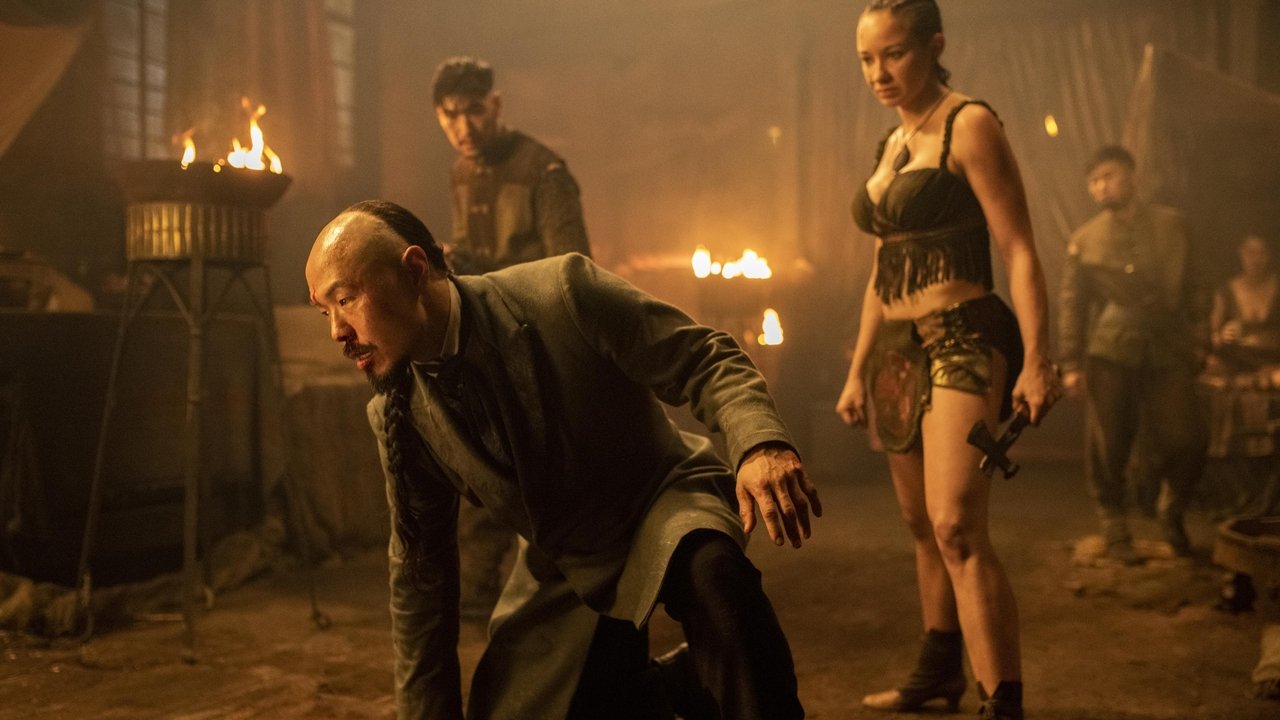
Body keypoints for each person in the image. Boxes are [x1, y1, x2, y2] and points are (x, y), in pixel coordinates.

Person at [305, 200, 820, 720]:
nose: (337, 332)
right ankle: (680, 683)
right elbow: (422, 579)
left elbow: (703, 358)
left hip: (660, 503)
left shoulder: (561, 291)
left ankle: (732, 677)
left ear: (415, 271)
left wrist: (760, 445)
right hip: (567, 566)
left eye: (346, 299)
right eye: (326, 312)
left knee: (720, 586)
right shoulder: (399, 413)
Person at [834, 2, 1060, 719]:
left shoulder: (969, 124)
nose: (879, 72)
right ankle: (938, 670)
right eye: (867, 59)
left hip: (962, 336)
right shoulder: (891, 144)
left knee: (957, 525)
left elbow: (1019, 247)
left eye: (894, 54)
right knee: (921, 528)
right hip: (895, 351)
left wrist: (1039, 359)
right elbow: (881, 271)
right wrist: (856, 368)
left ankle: (1003, 704)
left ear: (934, 46)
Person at [432, 56, 594, 619]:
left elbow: (572, 270)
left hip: (540, 339)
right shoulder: (461, 171)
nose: (464, 127)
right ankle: (477, 591)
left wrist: (484, 269)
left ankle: (568, 597)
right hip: (485, 339)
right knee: (481, 460)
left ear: (496, 105)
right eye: (450, 116)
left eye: (475, 111)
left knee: (543, 475)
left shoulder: (543, 172)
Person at [1058, 145, 1209, 563]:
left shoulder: (1172, 225)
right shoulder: (1085, 240)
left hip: (1168, 344)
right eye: (1093, 181)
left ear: (1131, 175)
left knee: (1187, 438)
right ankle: (1114, 525)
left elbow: (1197, 283)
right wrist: (1070, 363)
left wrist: (1201, 336)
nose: (1101, 187)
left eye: (1108, 176)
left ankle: (1172, 507)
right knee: (1108, 443)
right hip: (1110, 349)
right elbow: (1072, 305)